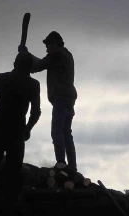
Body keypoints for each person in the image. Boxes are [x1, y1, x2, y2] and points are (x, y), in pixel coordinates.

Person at [0, 52, 41, 203]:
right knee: (13, 175)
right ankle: (9, 211)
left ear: (14, 64)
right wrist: (28, 128)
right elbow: (36, 112)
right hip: (17, 134)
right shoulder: (33, 85)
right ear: (30, 68)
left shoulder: (1, 78)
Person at [19, 31, 78, 172]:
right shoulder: (66, 54)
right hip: (69, 97)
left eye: (48, 45)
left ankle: (61, 163)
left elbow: (39, 65)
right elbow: (41, 64)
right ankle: (72, 166)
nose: (47, 49)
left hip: (61, 98)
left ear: (55, 44)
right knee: (66, 132)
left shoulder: (56, 55)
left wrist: (25, 54)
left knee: (57, 130)